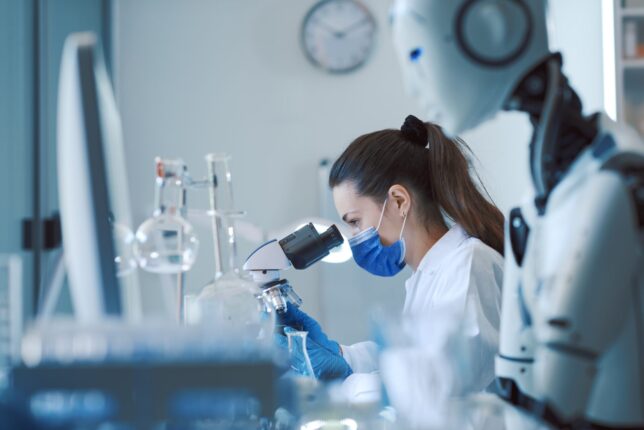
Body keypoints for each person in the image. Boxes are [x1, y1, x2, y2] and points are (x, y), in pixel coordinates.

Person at [278, 114, 504, 392]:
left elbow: (440, 383)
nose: (353, 237)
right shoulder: (427, 276)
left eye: (354, 221)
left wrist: (347, 382)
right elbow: (410, 358)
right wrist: (340, 354)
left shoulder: (469, 263)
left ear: (398, 201)